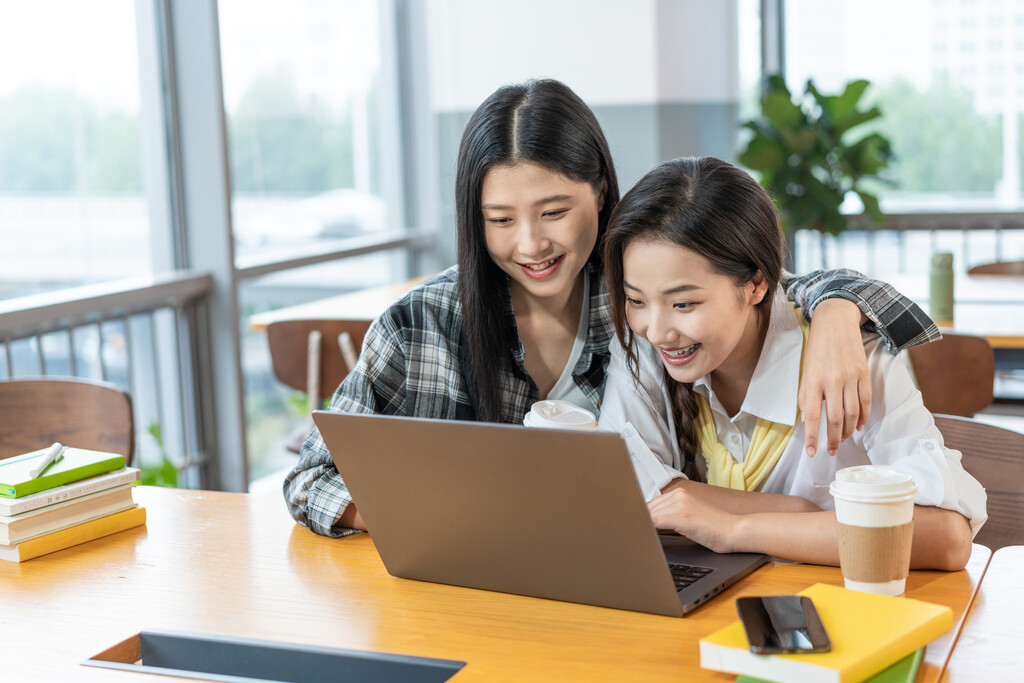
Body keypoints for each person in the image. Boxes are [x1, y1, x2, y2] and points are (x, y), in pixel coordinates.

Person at [284, 79, 940, 538]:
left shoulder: (638, 300)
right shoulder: (420, 326)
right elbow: (312, 476)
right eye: (500, 219)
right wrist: (449, 521)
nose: (530, 243)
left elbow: (749, 278)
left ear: (601, 193)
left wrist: (837, 305)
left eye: (554, 211)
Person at [598, 156, 986, 569]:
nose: (657, 330)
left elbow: (946, 537)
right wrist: (801, 516)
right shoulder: (644, 346)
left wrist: (735, 528)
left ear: (757, 284)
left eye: (684, 303)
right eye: (636, 300)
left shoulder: (849, 356)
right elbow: (620, 492)